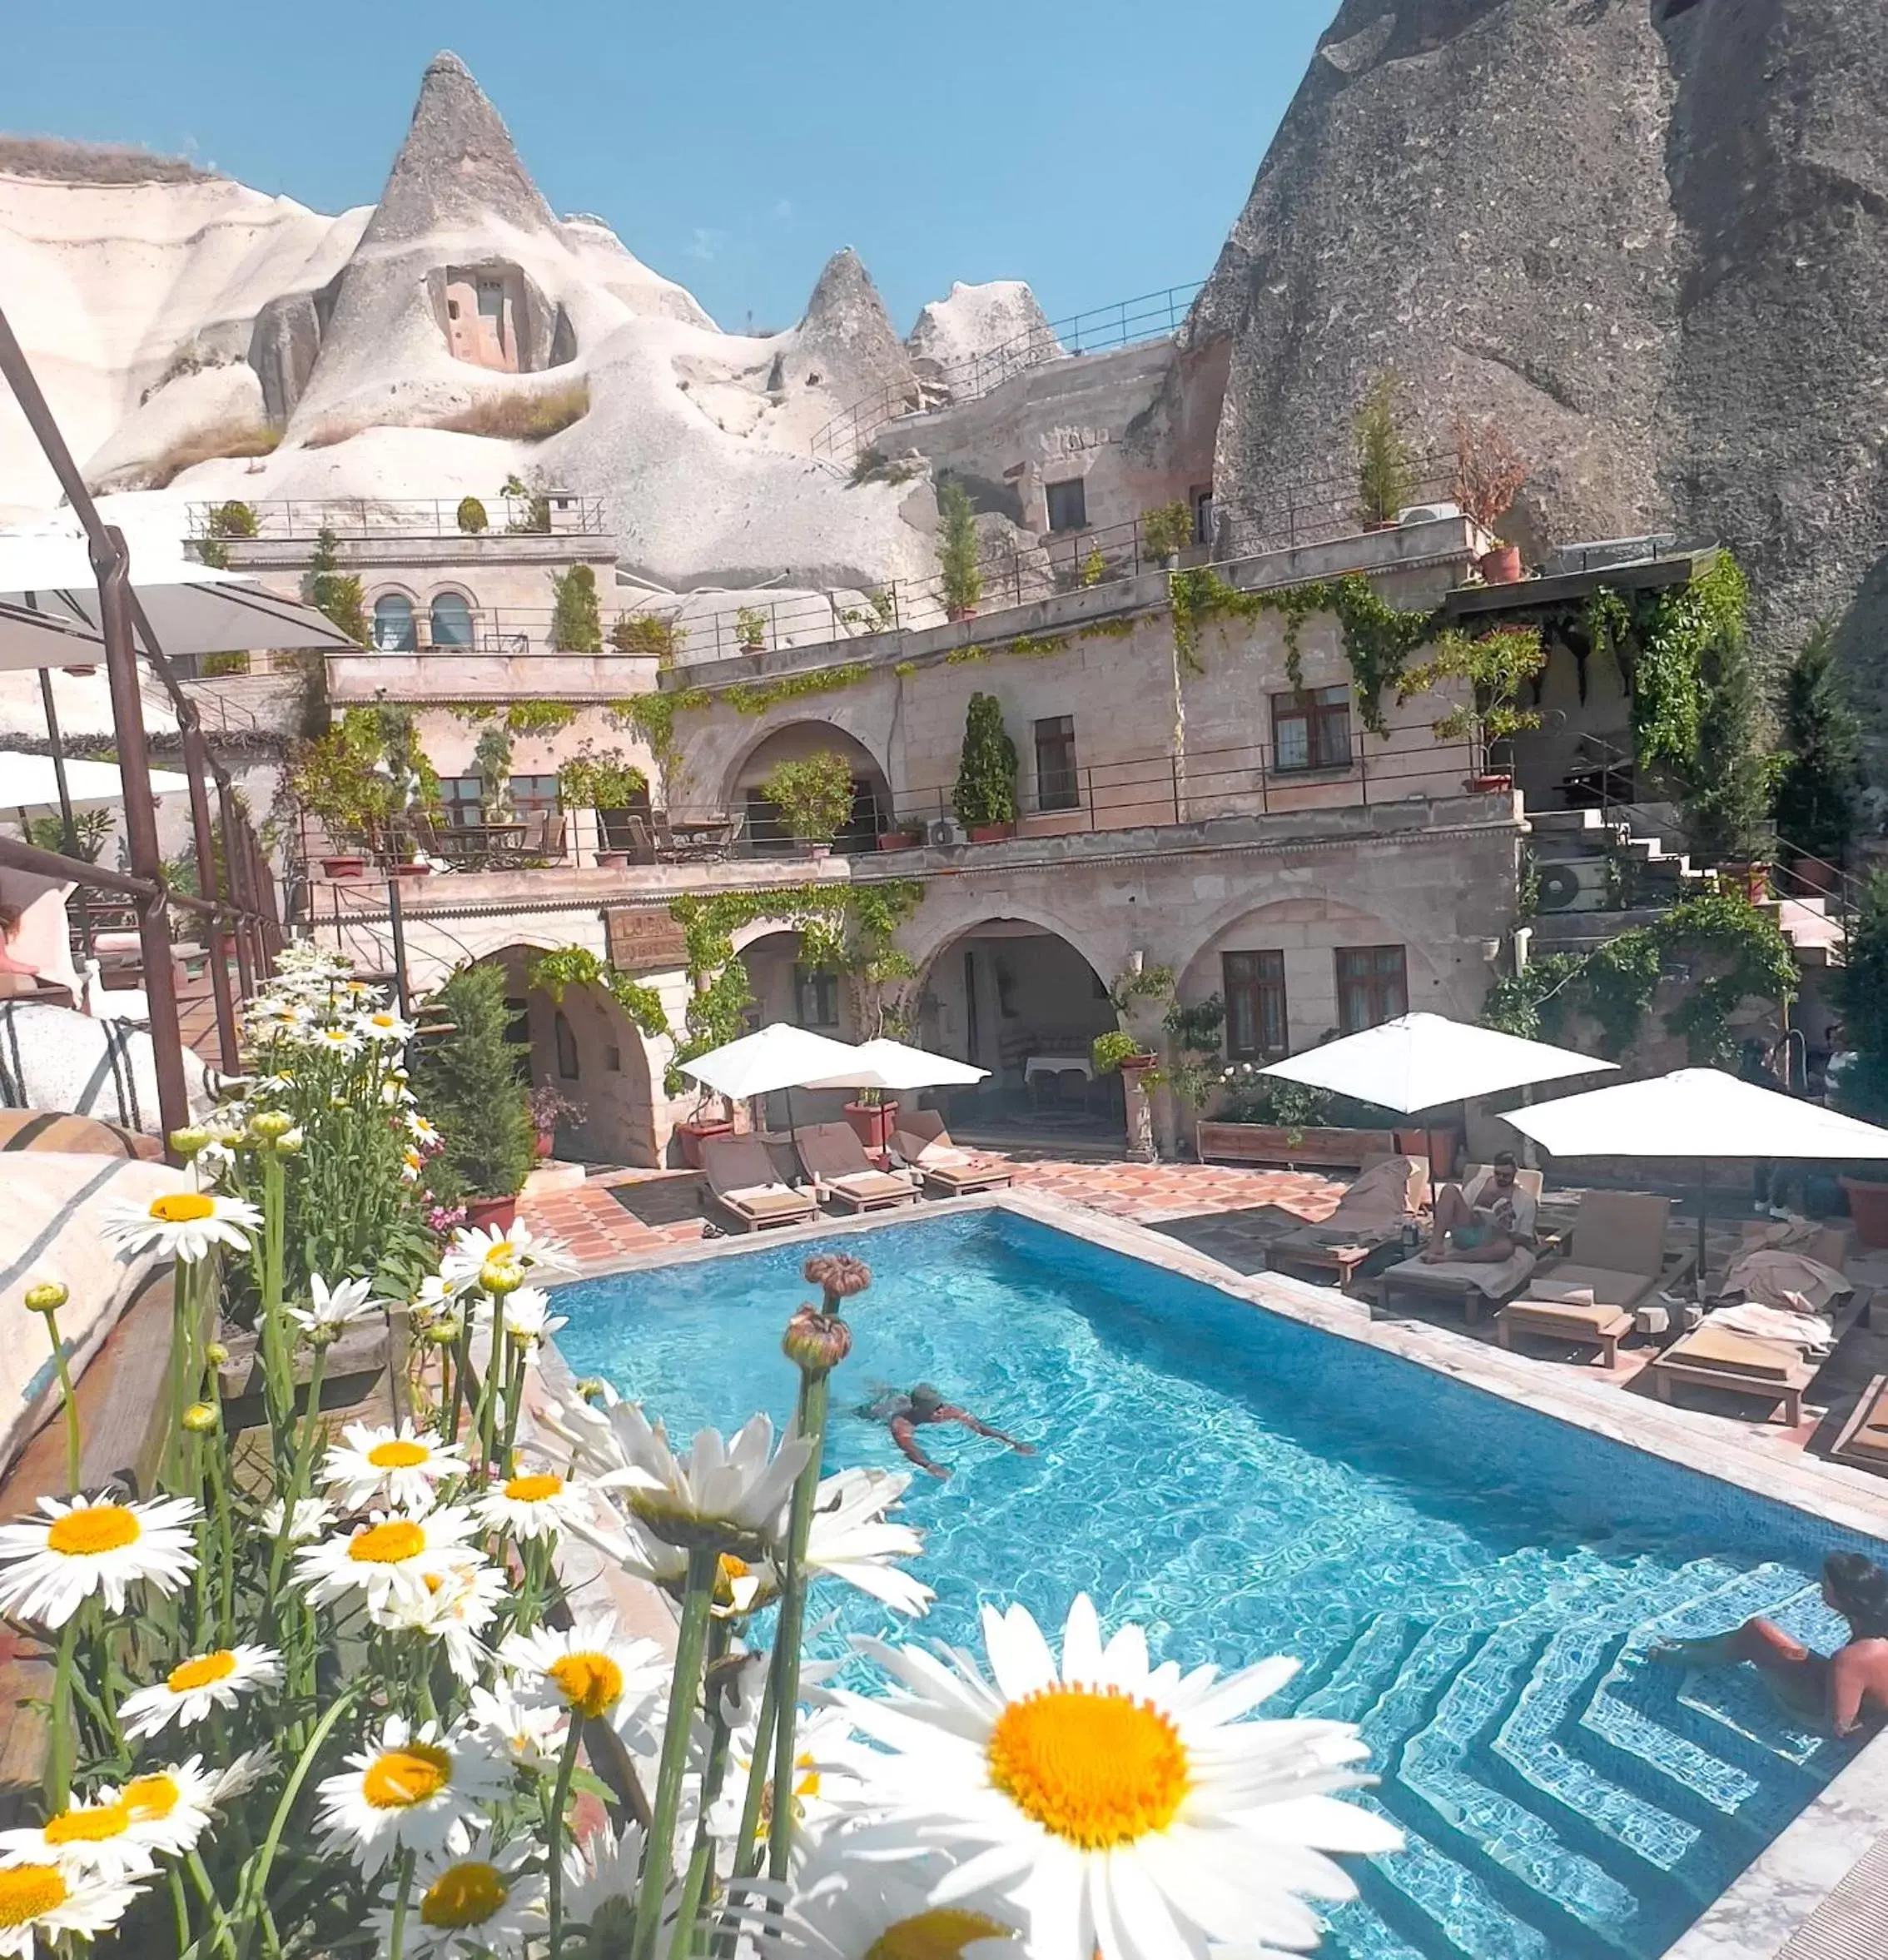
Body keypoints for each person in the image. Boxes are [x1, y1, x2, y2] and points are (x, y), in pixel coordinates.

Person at [1652, 1551, 1888, 1737]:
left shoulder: (1851, 1659)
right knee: (1758, 1630)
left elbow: (1839, 1728)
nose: (1820, 1586)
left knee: (1754, 1638)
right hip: (1845, 1689)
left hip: (1828, 1704)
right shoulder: (1876, 1630)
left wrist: (1785, 1707)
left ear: (1844, 1598)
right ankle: (1690, 1649)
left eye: (1826, 1584)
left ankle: (1681, 1655)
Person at [858, 1382, 1036, 1480]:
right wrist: (929, 1465)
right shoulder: (902, 1423)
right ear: (919, 1410)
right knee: (856, 1411)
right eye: (935, 1410)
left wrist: (1012, 1442)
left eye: (941, 1406)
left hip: (904, 1397)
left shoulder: (948, 1410)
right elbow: (909, 1449)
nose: (941, 1412)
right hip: (880, 1410)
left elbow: (980, 1427)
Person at [1420, 1151, 1537, 1265]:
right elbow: (1460, 1207)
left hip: (1492, 1240)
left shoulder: (1526, 1200)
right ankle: (1435, 1246)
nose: (1501, 1178)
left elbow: (1526, 1238)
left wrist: (1505, 1232)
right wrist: (1473, 1216)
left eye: (1506, 1176)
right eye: (1497, 1174)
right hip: (1468, 1229)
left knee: (1506, 1248)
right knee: (1449, 1189)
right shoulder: (1478, 1183)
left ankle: (1449, 1258)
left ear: (1515, 1173)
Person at [1740, 1036, 1791, 1218]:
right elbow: (1787, 1098)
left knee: (1760, 1162)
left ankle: (1761, 1200)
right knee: (1784, 1162)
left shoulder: (1743, 1075)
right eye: (1771, 1054)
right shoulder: (1769, 1079)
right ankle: (1778, 1204)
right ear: (1764, 1057)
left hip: (1755, 1124)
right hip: (1774, 1124)